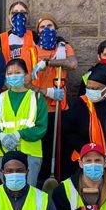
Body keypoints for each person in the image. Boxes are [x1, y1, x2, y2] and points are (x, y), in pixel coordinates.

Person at [29, 14, 78, 182]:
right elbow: (25, 81)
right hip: (38, 108)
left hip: (60, 108)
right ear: (37, 31)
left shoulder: (63, 49)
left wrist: (48, 63)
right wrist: (45, 91)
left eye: (50, 26)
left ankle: (61, 183)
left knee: (61, 150)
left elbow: (72, 64)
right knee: (42, 149)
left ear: (55, 29)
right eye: (42, 27)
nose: (46, 29)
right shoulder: (32, 51)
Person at [0, 58, 48, 186]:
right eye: (9, 73)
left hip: (31, 154)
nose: (13, 76)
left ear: (26, 75)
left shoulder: (36, 98)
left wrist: (19, 134)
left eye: (17, 72)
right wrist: (1, 136)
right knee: (7, 191)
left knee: (29, 192)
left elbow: (41, 128)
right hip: (4, 153)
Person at [0, 2, 37, 73]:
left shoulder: (34, 36)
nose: (19, 15)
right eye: (14, 13)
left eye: (22, 12)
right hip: (8, 79)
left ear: (27, 16)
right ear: (9, 16)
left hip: (28, 80)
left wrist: (60, 41)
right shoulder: (1, 38)